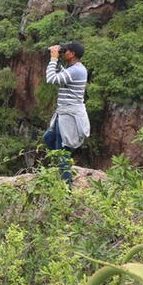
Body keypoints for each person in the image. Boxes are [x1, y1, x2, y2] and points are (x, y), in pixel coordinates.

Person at [43, 40, 90, 185]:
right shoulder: (72, 68)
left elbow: (51, 78)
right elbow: (61, 75)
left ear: (73, 54)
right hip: (62, 114)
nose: (64, 52)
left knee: (62, 149)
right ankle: (64, 168)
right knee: (48, 139)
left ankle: (66, 186)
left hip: (69, 116)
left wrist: (53, 58)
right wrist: (57, 57)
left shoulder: (77, 70)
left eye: (66, 50)